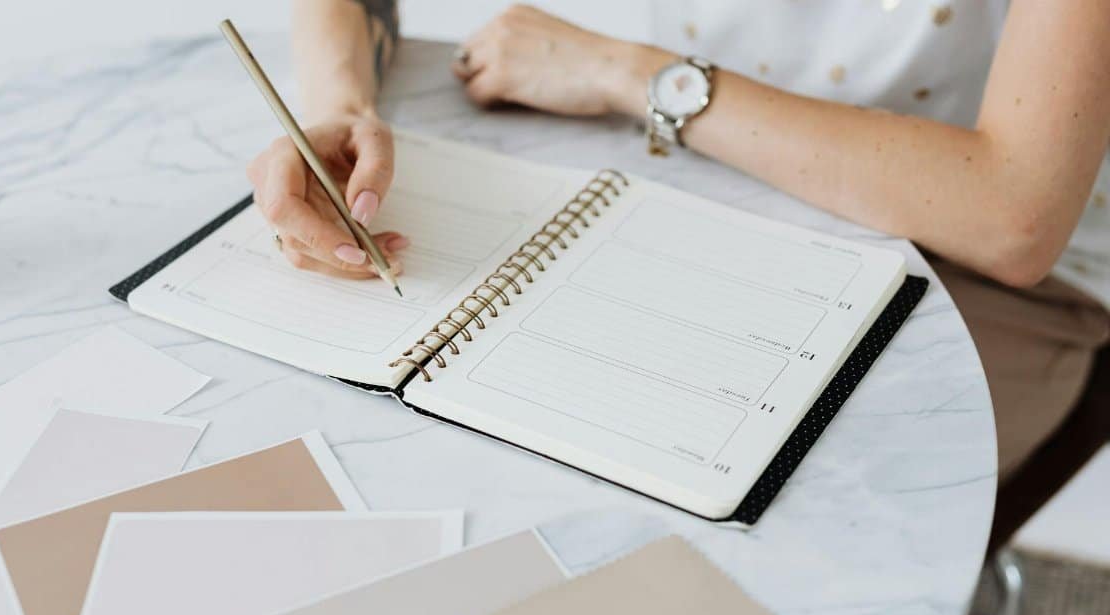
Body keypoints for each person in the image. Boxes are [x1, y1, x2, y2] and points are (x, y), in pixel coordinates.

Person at [247, 0, 1110, 481]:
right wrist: (338, 104)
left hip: (988, 284)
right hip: (700, 187)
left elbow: (1012, 217)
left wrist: (627, 73)